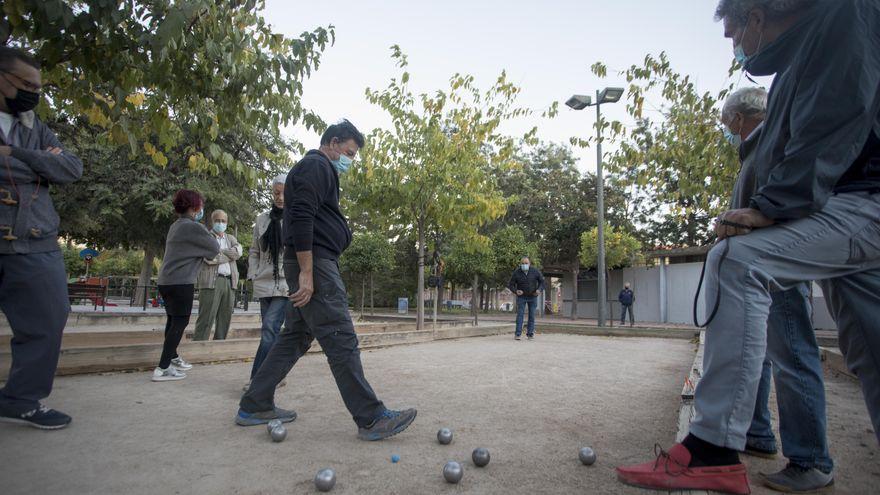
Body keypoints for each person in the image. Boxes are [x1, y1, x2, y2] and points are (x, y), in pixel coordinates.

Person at [617, 1, 880, 494]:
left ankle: (712, 448)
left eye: (733, 25)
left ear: (758, 15)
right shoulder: (801, 57)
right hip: (848, 206)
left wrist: (775, 206)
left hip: (863, 202)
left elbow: (837, 112)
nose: (729, 39)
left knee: (737, 261)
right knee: (871, 347)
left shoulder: (847, 14)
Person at [236, 120, 417, 441]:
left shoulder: (317, 169)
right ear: (333, 143)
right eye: (348, 152)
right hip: (314, 264)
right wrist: (307, 272)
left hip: (310, 261)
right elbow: (303, 216)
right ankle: (371, 417)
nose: (349, 160)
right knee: (340, 335)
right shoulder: (316, 165)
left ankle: (255, 402)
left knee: (296, 335)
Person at [723, 86, 834, 490]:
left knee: (792, 356)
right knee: (761, 356)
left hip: (777, 272)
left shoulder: (772, 143)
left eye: (727, 120)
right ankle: (757, 433)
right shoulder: (755, 150)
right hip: (760, 273)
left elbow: (783, 205)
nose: (726, 127)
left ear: (739, 116)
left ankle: (810, 460)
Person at [0, 47, 83, 430]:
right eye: (26, 85)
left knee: (50, 319)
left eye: (38, 87)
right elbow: (49, 166)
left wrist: (13, 154)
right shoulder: (38, 139)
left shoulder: (35, 127)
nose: (34, 93)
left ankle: (22, 399)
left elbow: (69, 167)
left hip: (36, 240)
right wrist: (38, 161)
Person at [153, 190, 220, 382]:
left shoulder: (176, 225)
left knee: (172, 321)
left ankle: (172, 358)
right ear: (194, 207)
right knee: (180, 323)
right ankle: (162, 368)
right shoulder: (194, 227)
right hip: (181, 282)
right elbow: (213, 250)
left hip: (166, 281)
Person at [243, 174, 290, 392]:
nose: (280, 197)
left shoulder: (296, 216)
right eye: (276, 193)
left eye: (284, 192)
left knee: (270, 329)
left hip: (285, 283)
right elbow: (254, 251)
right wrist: (252, 273)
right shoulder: (262, 219)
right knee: (270, 330)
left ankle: (257, 381)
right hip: (263, 282)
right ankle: (275, 375)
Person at [194, 209, 242, 341]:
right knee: (206, 318)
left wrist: (220, 253)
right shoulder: (206, 237)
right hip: (211, 282)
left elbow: (238, 252)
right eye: (218, 220)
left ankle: (218, 346)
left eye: (223, 221)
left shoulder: (231, 238)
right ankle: (198, 348)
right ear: (212, 221)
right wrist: (229, 255)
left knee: (224, 319)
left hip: (229, 282)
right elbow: (209, 258)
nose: (221, 223)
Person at [507, 256, 545, 340]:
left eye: (526, 263)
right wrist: (516, 291)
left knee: (532, 315)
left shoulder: (535, 271)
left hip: (533, 296)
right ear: (520, 264)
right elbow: (510, 284)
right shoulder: (517, 272)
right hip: (522, 297)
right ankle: (518, 334)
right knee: (520, 315)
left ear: (529, 264)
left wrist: (539, 290)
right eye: (523, 263)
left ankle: (530, 334)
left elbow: (542, 282)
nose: (524, 265)